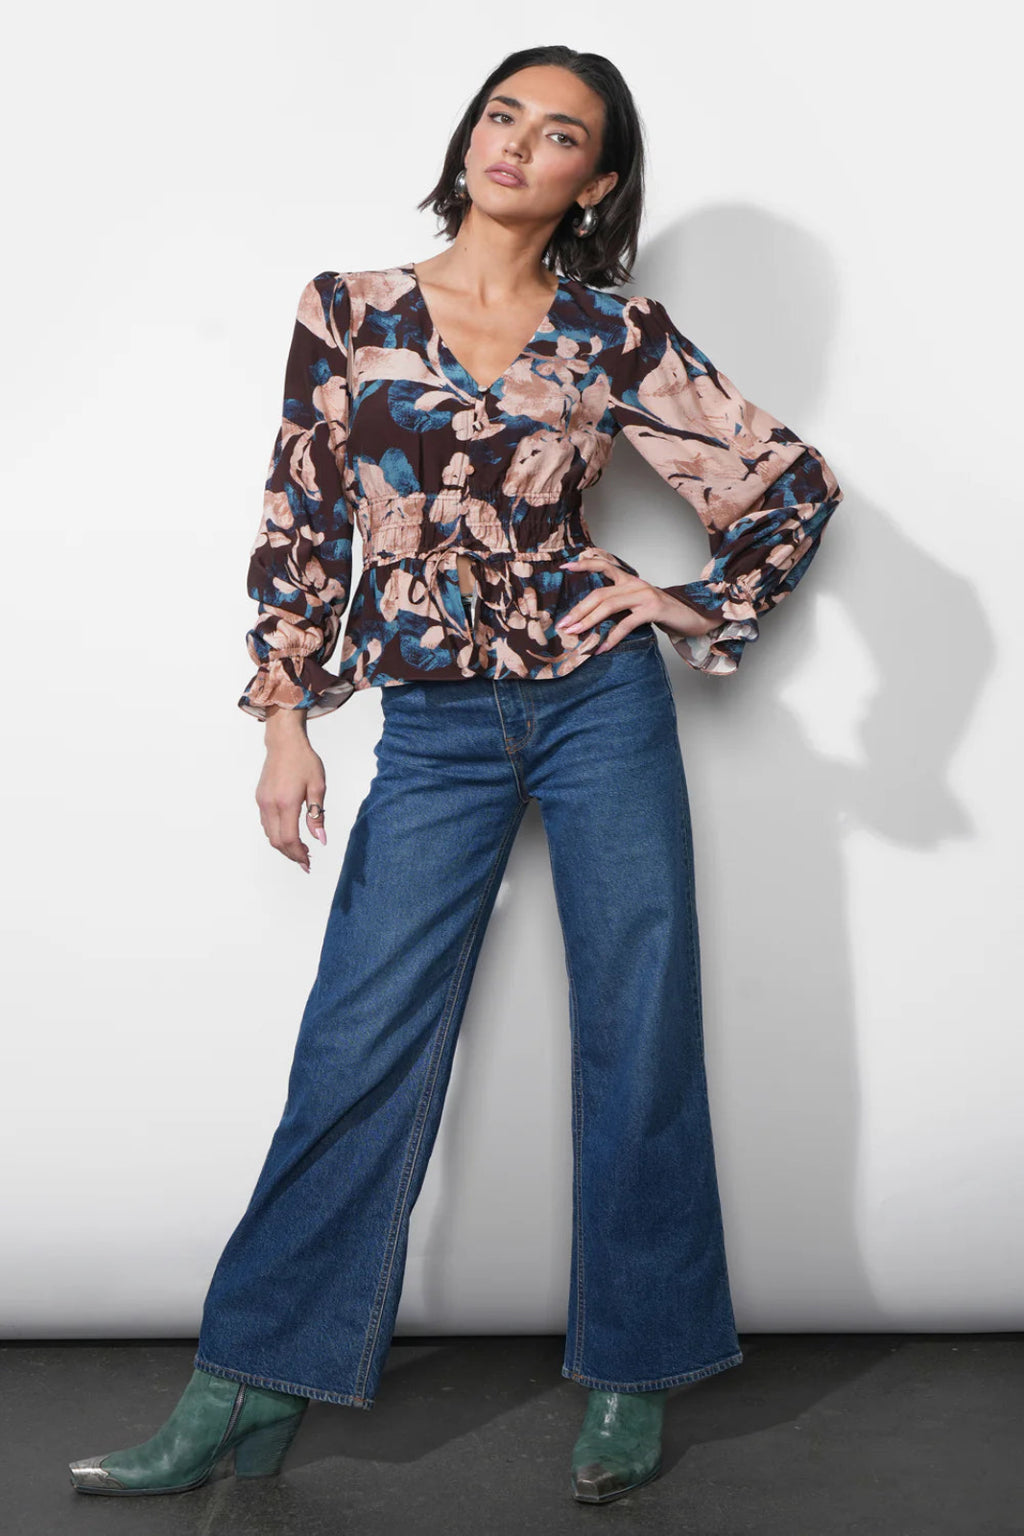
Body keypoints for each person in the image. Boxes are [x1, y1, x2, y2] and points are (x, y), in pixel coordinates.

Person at [68, 43, 843, 1507]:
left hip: (596, 700)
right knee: (359, 1035)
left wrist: (688, 600)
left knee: (639, 1015)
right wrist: (284, 718)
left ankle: (634, 1370)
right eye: (504, 115)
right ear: (471, 134)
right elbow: (302, 518)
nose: (518, 145)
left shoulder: (615, 332)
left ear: (593, 182)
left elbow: (787, 482)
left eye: (559, 136)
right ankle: (246, 1383)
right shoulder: (348, 310)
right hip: (430, 717)